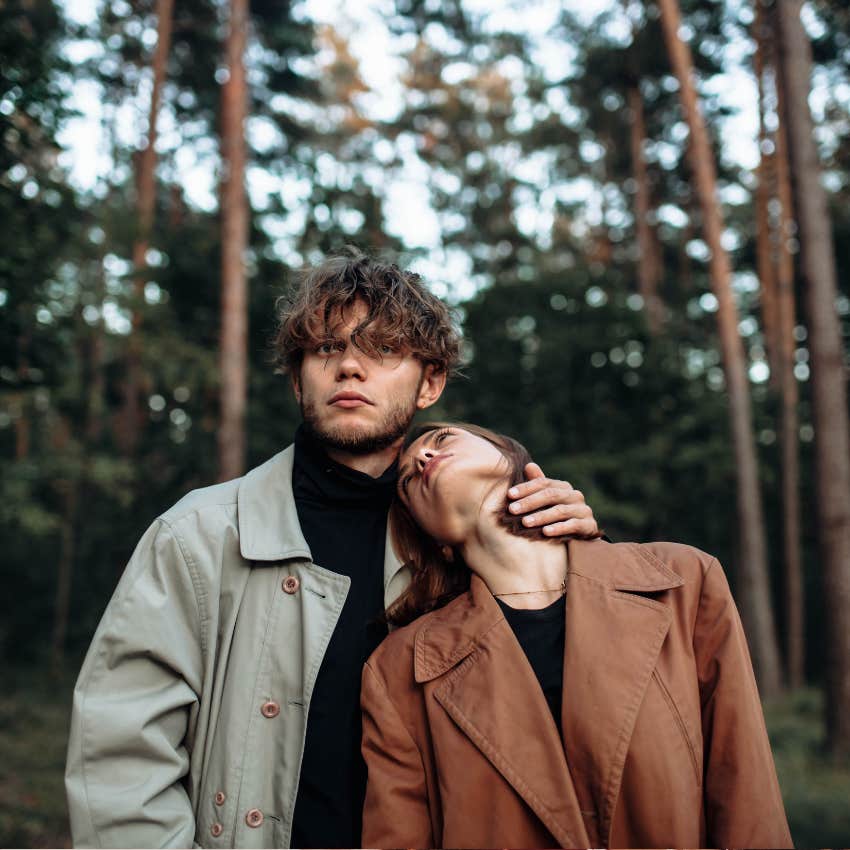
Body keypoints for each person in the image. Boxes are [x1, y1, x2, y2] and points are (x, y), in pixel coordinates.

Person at [65, 252, 600, 849]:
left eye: (383, 349)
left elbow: (565, 727)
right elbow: (120, 759)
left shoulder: (466, 544)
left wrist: (573, 555)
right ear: (297, 379)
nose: (350, 366)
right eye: (326, 349)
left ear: (431, 383)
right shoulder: (197, 536)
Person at [360, 422, 794, 849]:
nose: (422, 458)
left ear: (516, 461)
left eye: (441, 439)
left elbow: (746, 792)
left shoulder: (683, 581)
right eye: (407, 482)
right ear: (436, 543)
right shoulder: (396, 670)